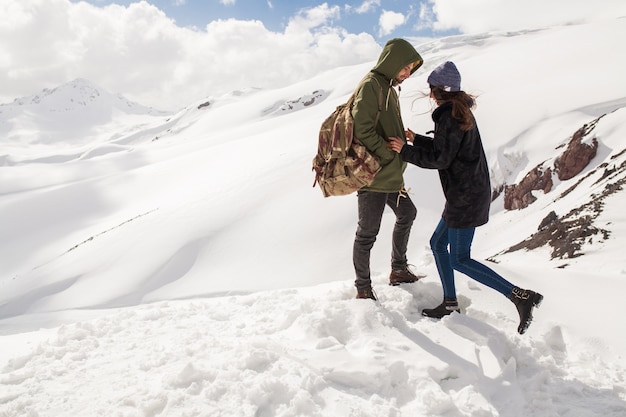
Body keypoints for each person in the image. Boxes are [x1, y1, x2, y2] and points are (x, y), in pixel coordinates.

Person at [387, 61, 543, 334]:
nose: (429, 93)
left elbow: (441, 158)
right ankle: (449, 303)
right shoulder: (459, 112)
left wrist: (404, 151)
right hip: (468, 192)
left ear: (436, 91)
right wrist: (417, 140)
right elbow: (448, 148)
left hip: (465, 196)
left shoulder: (450, 116)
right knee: (438, 243)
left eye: (430, 88)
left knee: (459, 258)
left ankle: (519, 295)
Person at [351, 38, 424, 301]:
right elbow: (362, 128)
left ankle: (398, 270)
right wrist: (385, 153)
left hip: (391, 174)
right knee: (367, 232)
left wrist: (400, 141)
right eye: (404, 67)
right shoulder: (372, 85)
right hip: (374, 176)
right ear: (392, 63)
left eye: (410, 69)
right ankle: (363, 288)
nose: (407, 73)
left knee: (408, 213)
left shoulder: (389, 89)